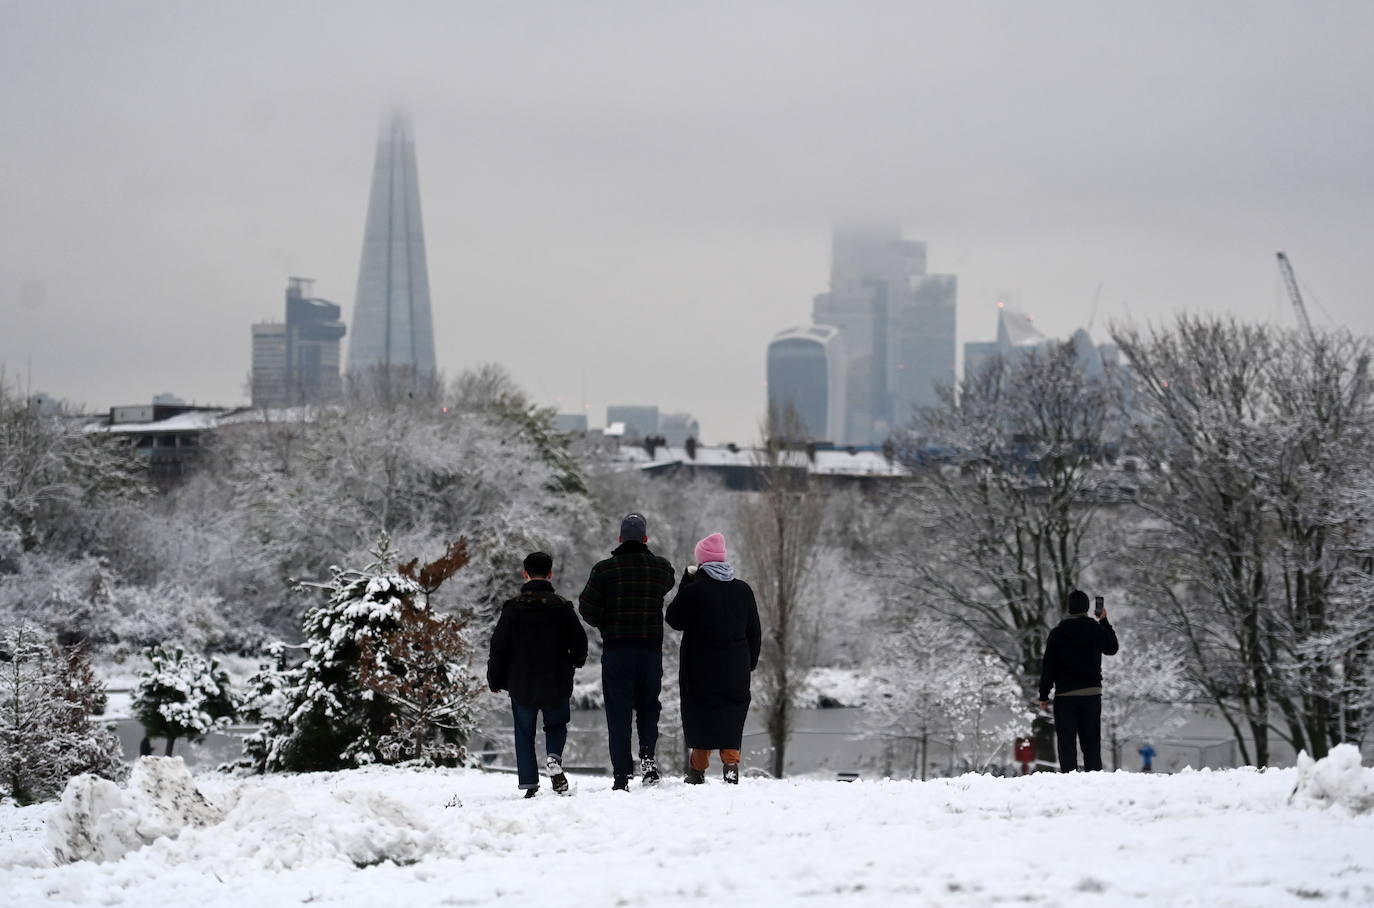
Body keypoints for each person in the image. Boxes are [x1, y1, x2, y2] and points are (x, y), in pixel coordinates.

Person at [578, 512, 676, 791]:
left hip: (617, 650)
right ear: (645, 539)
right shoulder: (660, 568)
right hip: (649, 651)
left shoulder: (604, 570)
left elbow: (586, 607)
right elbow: (669, 582)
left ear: (619, 539)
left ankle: (622, 773)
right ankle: (647, 761)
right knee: (648, 707)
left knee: (618, 712)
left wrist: (605, 624)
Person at [487, 551, 588, 798]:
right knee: (556, 724)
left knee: (524, 733)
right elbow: (580, 641)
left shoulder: (512, 609)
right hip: (556, 680)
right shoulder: (562, 608)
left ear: (525, 574)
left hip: (521, 682)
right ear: (550, 574)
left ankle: (530, 783)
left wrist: (495, 677)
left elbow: (499, 645)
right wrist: (576, 661)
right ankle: (553, 758)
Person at [665, 532, 761, 785]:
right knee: (731, 712)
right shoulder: (743, 590)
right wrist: (750, 662)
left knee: (701, 713)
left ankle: (697, 771)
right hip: (736, 666)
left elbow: (674, 619)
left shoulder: (696, 590)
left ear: (702, 563)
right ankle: (730, 765)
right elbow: (754, 630)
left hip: (701, 666)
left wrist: (686, 582)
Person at [1037, 590, 1120, 772]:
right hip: (1092, 694)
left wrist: (1044, 694)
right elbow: (1112, 648)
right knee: (1091, 743)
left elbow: (1048, 666)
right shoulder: (1096, 629)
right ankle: (1094, 782)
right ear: (1087, 608)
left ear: (1069, 609)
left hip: (1065, 696)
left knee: (1066, 744)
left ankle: (1069, 781)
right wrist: (1104, 620)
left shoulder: (1057, 634)